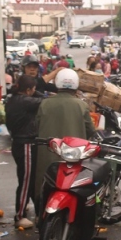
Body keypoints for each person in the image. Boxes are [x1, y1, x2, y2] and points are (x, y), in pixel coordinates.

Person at [33, 69, 96, 207]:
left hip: (48, 155)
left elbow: (36, 127)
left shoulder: (45, 103)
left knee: (44, 182)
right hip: (73, 157)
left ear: (57, 84)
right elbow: (91, 130)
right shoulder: (81, 105)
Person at [5, 75, 42, 230]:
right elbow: (45, 101)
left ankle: (39, 211)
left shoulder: (13, 99)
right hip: (25, 143)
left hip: (19, 143)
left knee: (30, 179)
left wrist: (35, 90)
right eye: (33, 89)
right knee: (26, 181)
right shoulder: (25, 101)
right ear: (28, 90)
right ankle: (19, 216)